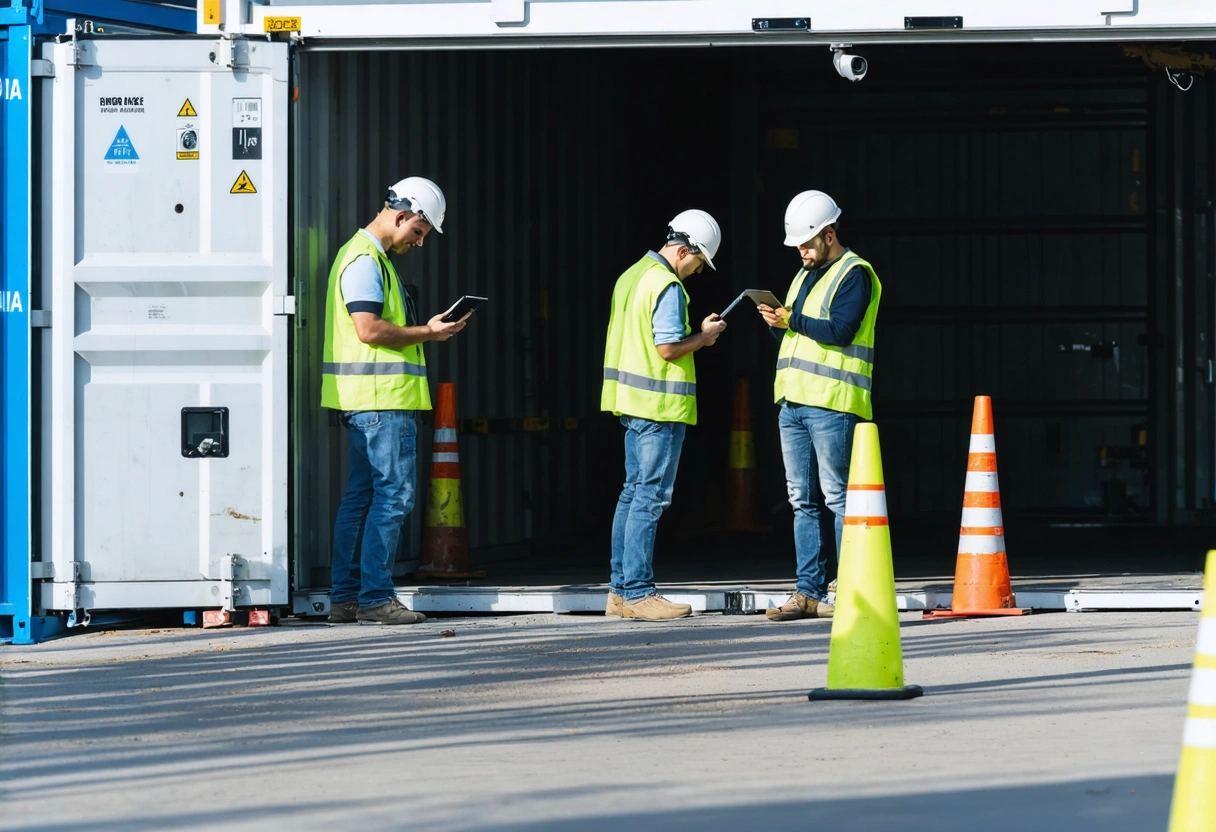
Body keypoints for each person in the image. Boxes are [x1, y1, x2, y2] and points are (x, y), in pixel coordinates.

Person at [322, 176, 470, 625]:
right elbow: (367, 328)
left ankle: (346, 599)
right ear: (402, 215)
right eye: (419, 232)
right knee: (393, 497)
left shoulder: (368, 259)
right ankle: (375, 599)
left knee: (362, 499)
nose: (420, 242)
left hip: (367, 400)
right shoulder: (366, 261)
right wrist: (428, 332)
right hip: (381, 402)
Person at [757, 190, 882, 622]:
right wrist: (779, 325)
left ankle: (847, 589)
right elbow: (798, 337)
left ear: (830, 234)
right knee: (801, 501)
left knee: (838, 498)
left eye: (807, 243)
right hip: (792, 401)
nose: (801, 251)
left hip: (831, 403)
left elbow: (842, 330)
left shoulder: (855, 273)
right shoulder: (803, 274)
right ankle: (807, 592)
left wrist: (792, 320)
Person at [601, 210, 727, 621]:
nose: (697, 272)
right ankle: (638, 593)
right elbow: (668, 348)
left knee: (631, 492)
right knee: (649, 497)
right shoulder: (667, 285)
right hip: (658, 408)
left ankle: (620, 593)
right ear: (685, 249)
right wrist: (705, 338)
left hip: (631, 403)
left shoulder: (632, 275)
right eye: (699, 263)